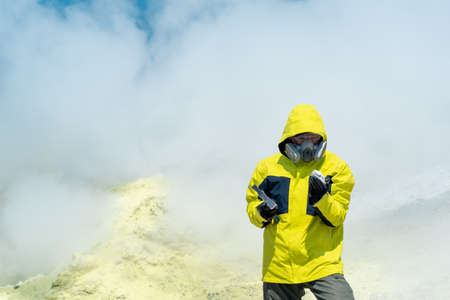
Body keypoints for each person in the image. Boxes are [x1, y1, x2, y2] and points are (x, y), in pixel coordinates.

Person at [246, 104, 355, 300]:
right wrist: (262, 212)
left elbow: (337, 217)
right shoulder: (267, 168)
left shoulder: (337, 168)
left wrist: (322, 199)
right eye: (300, 137)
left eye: (312, 137)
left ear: (321, 138)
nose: (307, 144)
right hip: (279, 266)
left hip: (321, 263)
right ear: (289, 138)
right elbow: (252, 211)